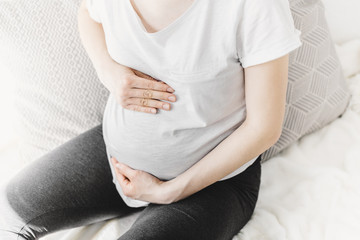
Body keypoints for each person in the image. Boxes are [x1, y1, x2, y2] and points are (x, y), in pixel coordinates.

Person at [0, 0, 302, 239]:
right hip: (117, 158)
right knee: (12, 208)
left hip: (214, 183)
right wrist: (109, 71)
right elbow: (88, 13)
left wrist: (171, 191)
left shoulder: (254, 5)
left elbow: (264, 128)